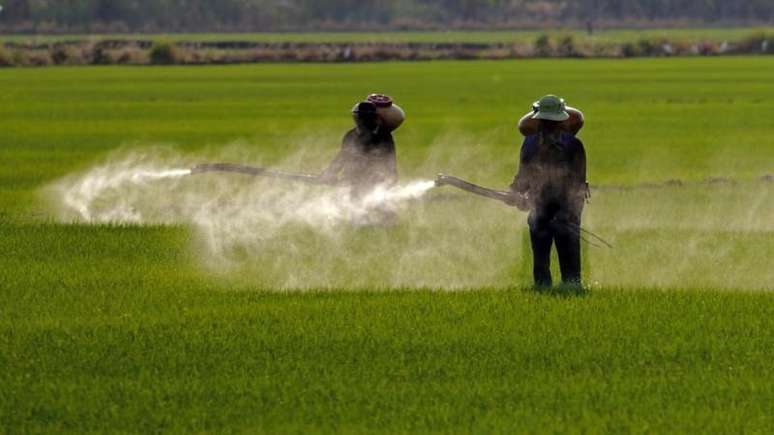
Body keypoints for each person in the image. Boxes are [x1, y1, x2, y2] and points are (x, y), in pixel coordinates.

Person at [508, 95, 588, 288]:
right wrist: (515, 193)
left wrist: (567, 214)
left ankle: (572, 286)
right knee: (540, 257)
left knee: (569, 256)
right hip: (539, 208)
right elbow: (523, 175)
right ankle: (542, 288)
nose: (548, 126)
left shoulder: (574, 146)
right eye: (546, 122)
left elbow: (578, 184)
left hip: (567, 210)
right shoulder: (529, 144)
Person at [320, 99, 398, 198]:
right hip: (355, 182)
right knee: (358, 209)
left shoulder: (383, 136)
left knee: (378, 210)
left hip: (377, 182)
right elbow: (343, 156)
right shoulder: (352, 135)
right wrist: (330, 172)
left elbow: (388, 161)